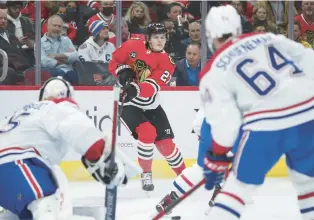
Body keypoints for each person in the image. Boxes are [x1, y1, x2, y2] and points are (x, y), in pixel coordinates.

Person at [200, 5, 314, 220]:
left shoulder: (213, 70)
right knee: (309, 185)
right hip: (308, 115)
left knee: (237, 188)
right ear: (237, 28)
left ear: (210, 35)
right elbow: (309, 59)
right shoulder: (268, 38)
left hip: (266, 125)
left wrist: (218, 154)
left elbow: (225, 122)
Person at [0, 76, 139, 220]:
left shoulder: (21, 113)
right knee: (47, 203)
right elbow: (82, 133)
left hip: (9, 173)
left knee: (17, 212)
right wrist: (102, 160)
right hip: (18, 163)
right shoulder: (59, 107)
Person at [108, 23, 186, 192]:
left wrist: (135, 88)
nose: (160, 40)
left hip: (150, 103)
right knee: (147, 132)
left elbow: (152, 86)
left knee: (167, 146)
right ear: (148, 38)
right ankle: (146, 173)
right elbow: (114, 60)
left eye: (163, 37)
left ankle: (185, 177)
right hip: (127, 102)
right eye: (156, 37)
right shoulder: (133, 44)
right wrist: (122, 71)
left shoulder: (168, 61)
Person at [154, 109, 240, 216]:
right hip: (214, 125)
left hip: (216, 123)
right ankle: (172, 198)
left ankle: (171, 199)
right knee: (203, 168)